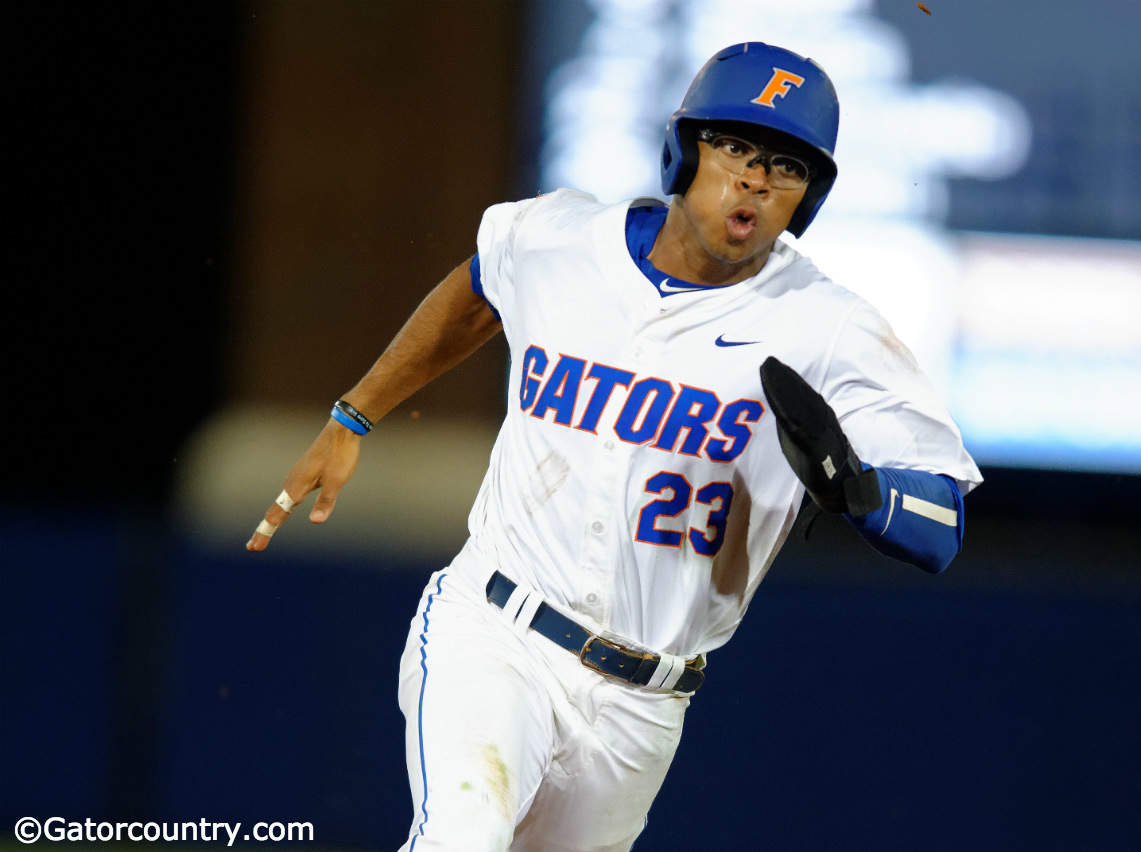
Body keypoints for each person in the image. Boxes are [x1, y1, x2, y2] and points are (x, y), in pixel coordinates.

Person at [247, 42, 981, 852]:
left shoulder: (828, 326)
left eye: (786, 164)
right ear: (684, 148)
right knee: (460, 834)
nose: (755, 178)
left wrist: (860, 489)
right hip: (499, 630)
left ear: (808, 197)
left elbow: (939, 523)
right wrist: (355, 415)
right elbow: (478, 288)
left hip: (644, 704)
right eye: (734, 146)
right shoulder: (560, 239)